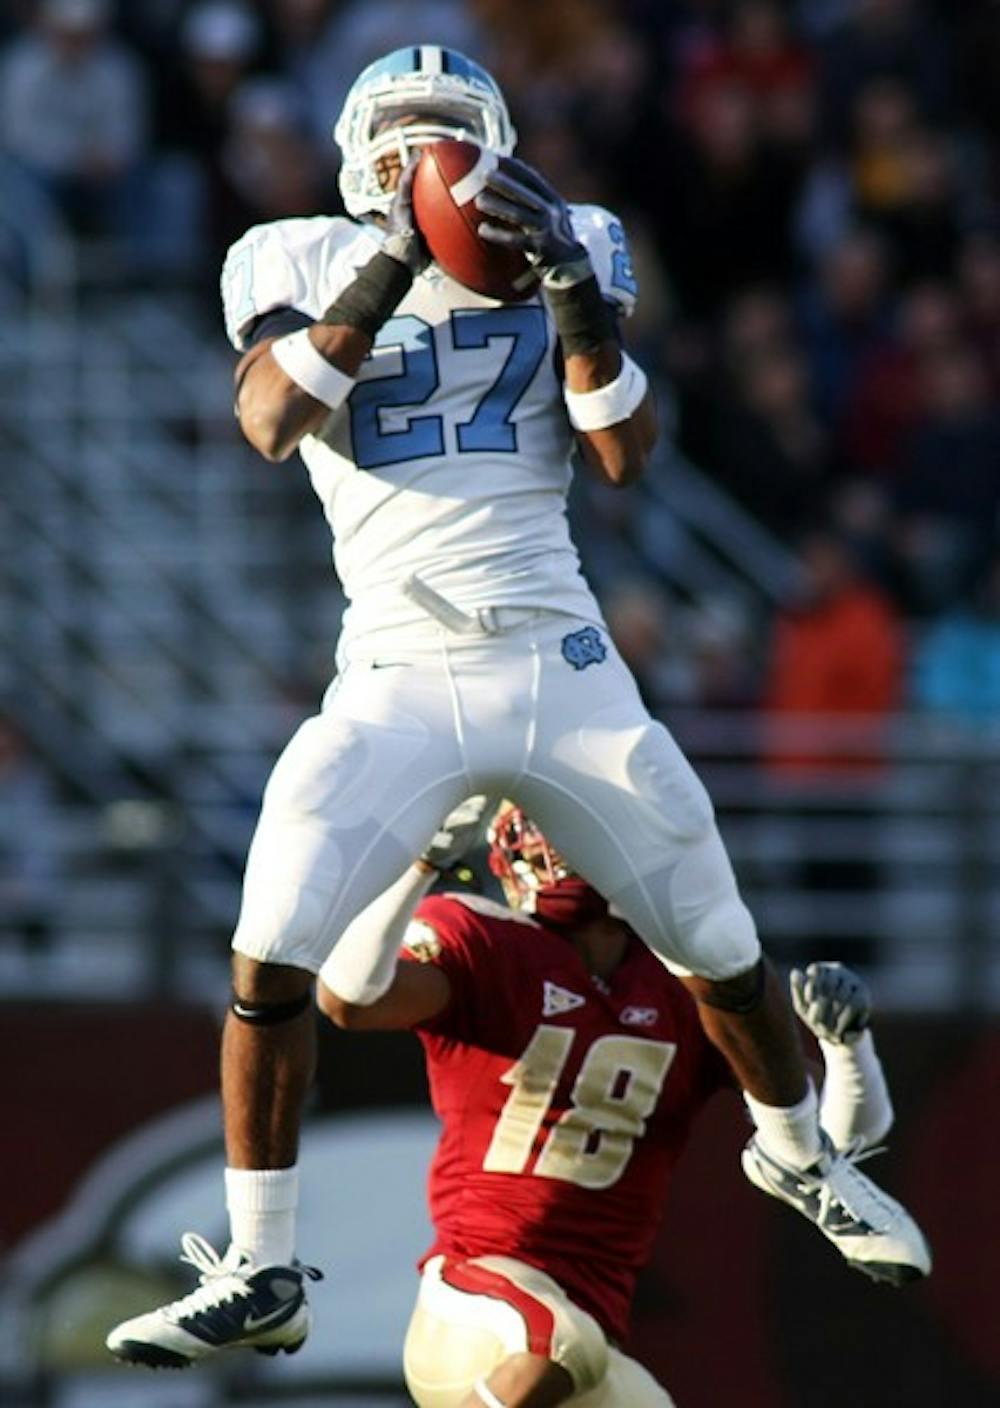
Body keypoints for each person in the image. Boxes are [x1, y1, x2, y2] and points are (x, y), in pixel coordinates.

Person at [106, 44, 928, 1369]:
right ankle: (262, 1262)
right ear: (361, 149)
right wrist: (397, 257)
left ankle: (793, 1153)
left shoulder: (578, 237)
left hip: (557, 655)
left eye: (451, 136)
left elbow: (624, 455)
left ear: (495, 146)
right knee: (268, 960)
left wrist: (568, 291)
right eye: (409, 137)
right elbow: (269, 420)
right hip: (392, 667)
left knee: (716, 939)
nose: (429, 157)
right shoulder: (294, 254)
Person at [317, 801, 906, 1408]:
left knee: (601, 1365)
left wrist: (848, 1048)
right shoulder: (482, 941)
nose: (557, 845)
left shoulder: (684, 985)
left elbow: (832, 1147)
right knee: (562, 1343)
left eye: (574, 824)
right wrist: (419, 865)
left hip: (589, 1329)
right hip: (475, 1302)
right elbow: (348, 1003)